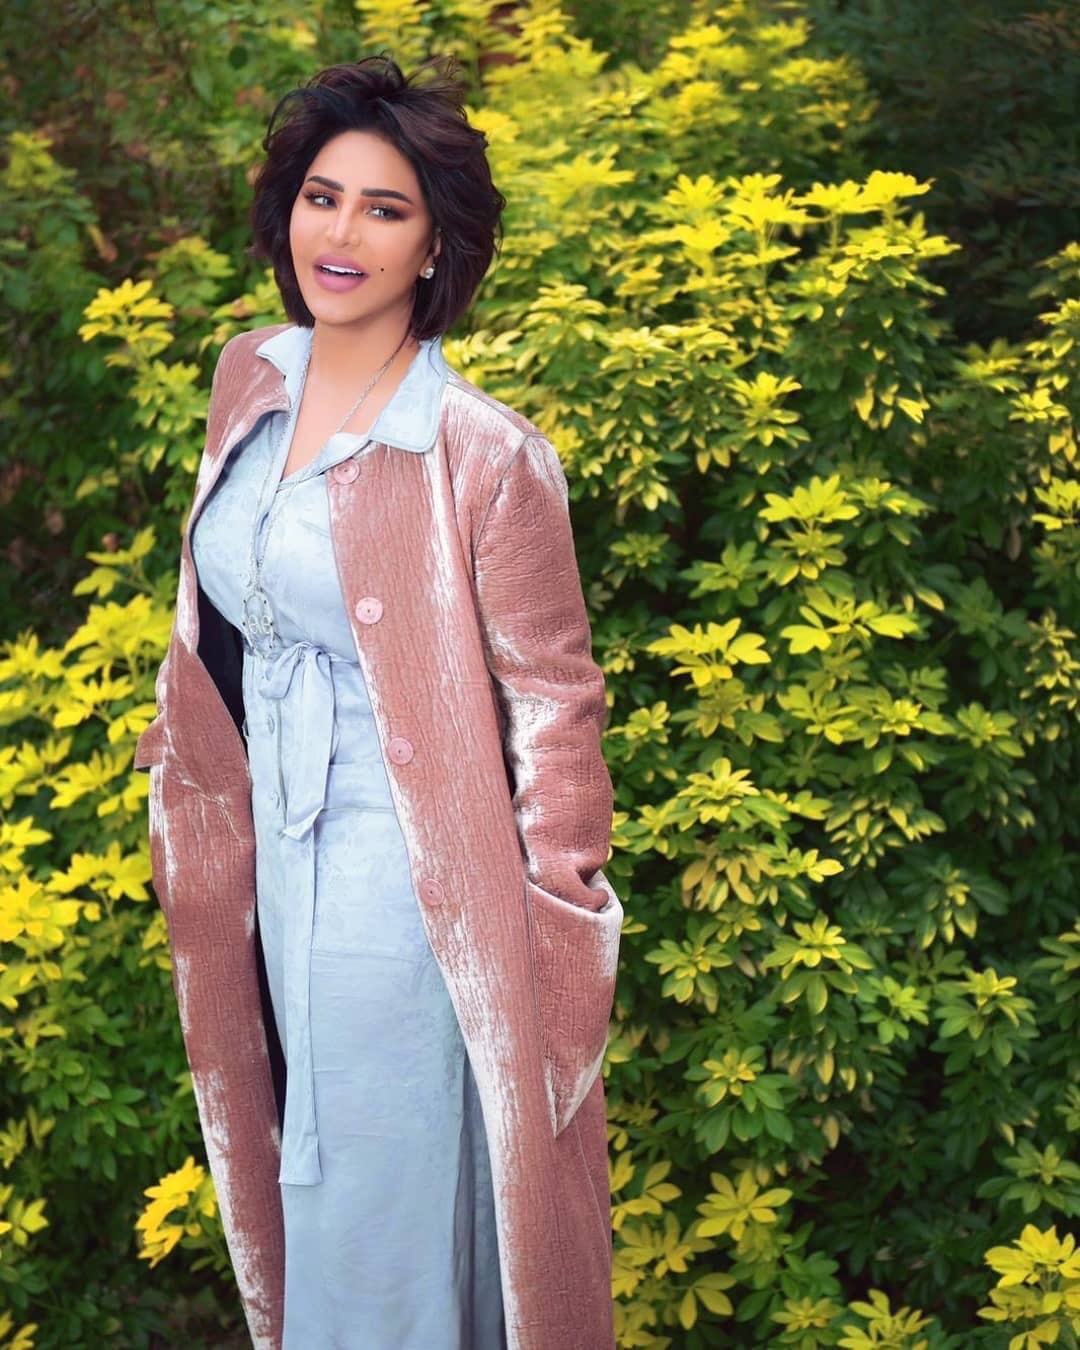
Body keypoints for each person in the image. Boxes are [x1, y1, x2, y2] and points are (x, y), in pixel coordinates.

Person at [138, 51, 623, 1350]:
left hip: (405, 892)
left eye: (384, 209)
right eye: (322, 196)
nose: (341, 234)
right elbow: (219, 610)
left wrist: (560, 940)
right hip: (264, 864)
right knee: (298, 1165)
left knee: (373, 1198)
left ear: (435, 245)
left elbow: (557, 705)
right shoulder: (250, 376)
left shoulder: (484, 453)